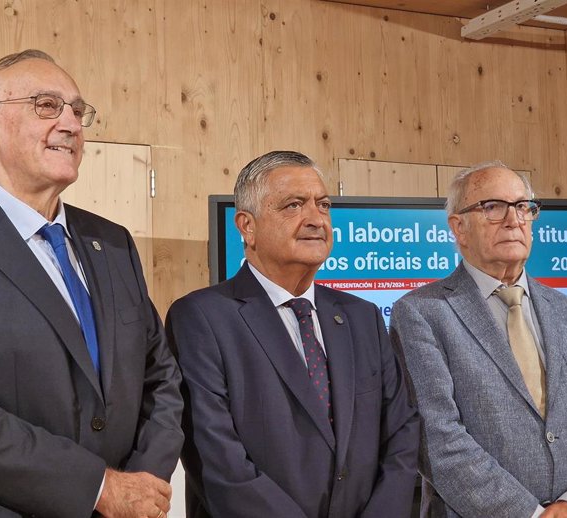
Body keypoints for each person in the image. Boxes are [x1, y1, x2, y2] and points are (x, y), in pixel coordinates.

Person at [0, 49, 184, 518]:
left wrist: (144, 478)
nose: (71, 123)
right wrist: (98, 488)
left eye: (77, 110)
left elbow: (162, 377)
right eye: (46, 106)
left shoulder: (112, 244)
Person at [165, 150, 420, 518]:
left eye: (324, 204)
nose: (316, 219)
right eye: (293, 205)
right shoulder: (201, 318)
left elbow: (401, 433)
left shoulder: (361, 317)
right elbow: (217, 458)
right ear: (246, 226)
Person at [390, 161, 567, 518]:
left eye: (523, 207)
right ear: (459, 228)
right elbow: (437, 440)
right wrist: (531, 514)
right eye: (493, 207)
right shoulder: (421, 314)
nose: (514, 220)